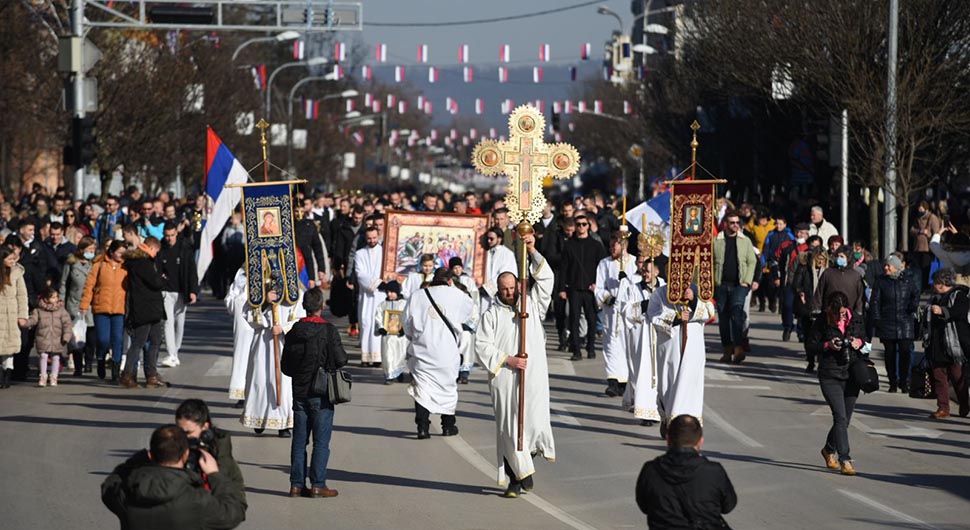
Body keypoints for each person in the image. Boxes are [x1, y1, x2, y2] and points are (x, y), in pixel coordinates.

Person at [475, 232, 555, 498]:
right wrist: (508, 359)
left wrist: (531, 251)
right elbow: (481, 345)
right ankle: (515, 480)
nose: (510, 293)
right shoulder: (491, 314)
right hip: (506, 377)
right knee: (510, 427)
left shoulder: (532, 304)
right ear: (498, 290)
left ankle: (525, 466)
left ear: (519, 286)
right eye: (505, 289)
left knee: (532, 424)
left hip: (532, 377)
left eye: (512, 288)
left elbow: (546, 280)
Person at [101, 425, 247, 530]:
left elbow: (110, 483)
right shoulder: (196, 499)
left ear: (151, 455)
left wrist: (138, 459)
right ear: (185, 455)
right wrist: (215, 475)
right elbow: (233, 512)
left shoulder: (127, 492)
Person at [281, 288, 347, 498]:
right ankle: (318, 484)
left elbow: (285, 366)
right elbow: (341, 359)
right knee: (321, 441)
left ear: (304, 306)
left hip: (299, 391)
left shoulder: (294, 331)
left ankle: (296, 484)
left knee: (299, 440)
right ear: (322, 306)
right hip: (322, 391)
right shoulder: (328, 330)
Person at [403, 267, 475, 439]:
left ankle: (422, 428)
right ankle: (448, 426)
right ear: (450, 281)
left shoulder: (417, 296)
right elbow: (469, 313)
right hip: (447, 351)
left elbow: (406, 323)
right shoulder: (458, 296)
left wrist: (415, 338)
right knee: (447, 389)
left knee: (422, 389)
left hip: (423, 350)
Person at [635, 415, 737, 529]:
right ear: (700, 442)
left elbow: (644, 506)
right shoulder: (714, 471)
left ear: (668, 439)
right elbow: (728, 506)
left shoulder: (651, 470)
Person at [807, 291, 867, 475]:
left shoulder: (856, 319)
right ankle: (845, 459)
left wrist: (859, 342)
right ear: (829, 310)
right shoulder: (822, 321)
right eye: (836, 313)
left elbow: (867, 343)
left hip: (852, 374)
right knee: (839, 417)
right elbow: (810, 346)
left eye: (842, 313)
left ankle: (828, 449)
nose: (840, 317)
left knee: (845, 420)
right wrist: (827, 345)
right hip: (830, 374)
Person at [648, 282, 716, 434]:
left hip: (693, 347)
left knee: (690, 384)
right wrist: (676, 318)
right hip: (669, 346)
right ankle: (668, 418)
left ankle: (687, 426)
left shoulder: (698, 290)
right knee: (669, 382)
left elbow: (710, 312)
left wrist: (693, 300)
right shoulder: (660, 292)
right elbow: (653, 315)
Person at [240, 284, 304, 437]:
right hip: (262, 343)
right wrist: (264, 303)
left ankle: (283, 424)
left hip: (284, 343)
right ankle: (259, 419)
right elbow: (247, 313)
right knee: (260, 380)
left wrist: (284, 328)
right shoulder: (259, 288)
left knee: (284, 382)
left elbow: (300, 318)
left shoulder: (295, 291)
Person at [618, 256, 665, 425]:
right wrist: (645, 305)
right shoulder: (633, 289)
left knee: (660, 374)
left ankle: (659, 410)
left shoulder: (664, 288)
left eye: (649, 271)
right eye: (643, 270)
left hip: (660, 335)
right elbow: (626, 311)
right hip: (641, 336)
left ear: (657, 272)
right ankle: (645, 412)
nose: (645, 274)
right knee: (643, 373)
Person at [118, 237, 166, 389]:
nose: (156, 254)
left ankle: (151, 374)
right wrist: (161, 278)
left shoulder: (140, 261)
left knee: (155, 340)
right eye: (156, 251)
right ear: (151, 248)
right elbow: (155, 282)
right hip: (145, 308)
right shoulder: (143, 262)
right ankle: (128, 374)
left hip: (150, 308)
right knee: (140, 342)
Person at [594, 231, 638, 397]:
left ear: (624, 245)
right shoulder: (604, 263)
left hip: (627, 311)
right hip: (611, 311)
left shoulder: (633, 262)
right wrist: (607, 297)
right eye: (611, 246)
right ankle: (612, 381)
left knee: (627, 345)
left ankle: (624, 381)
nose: (612, 249)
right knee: (611, 345)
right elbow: (599, 286)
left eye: (615, 245)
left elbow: (637, 284)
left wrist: (625, 281)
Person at [175, 398, 246, 499]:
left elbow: (236, 498)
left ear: (205, 427)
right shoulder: (173, 449)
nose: (183, 437)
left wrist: (213, 474)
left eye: (189, 432)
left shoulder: (220, 454)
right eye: (179, 431)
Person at [559, 213, 607, 361]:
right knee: (574, 319)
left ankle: (591, 348)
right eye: (578, 224)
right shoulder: (569, 245)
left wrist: (599, 285)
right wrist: (562, 288)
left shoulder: (596, 245)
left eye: (584, 224)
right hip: (574, 288)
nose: (581, 227)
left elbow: (602, 267)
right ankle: (576, 350)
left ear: (588, 226)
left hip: (590, 289)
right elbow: (564, 268)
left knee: (591, 319)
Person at [869, 255, 919, 393]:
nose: (886, 268)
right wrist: (877, 319)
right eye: (885, 265)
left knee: (905, 352)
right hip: (887, 322)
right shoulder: (881, 281)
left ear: (896, 267)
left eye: (889, 265)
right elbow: (875, 301)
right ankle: (892, 382)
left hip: (905, 322)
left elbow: (915, 295)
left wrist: (913, 306)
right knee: (889, 354)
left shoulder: (907, 281)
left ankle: (904, 381)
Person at [924, 268, 970, 419]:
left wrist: (943, 311)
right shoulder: (935, 297)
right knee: (939, 376)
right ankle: (943, 407)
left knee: (958, 377)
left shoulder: (959, 295)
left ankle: (964, 403)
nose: (933, 285)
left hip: (954, 344)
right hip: (937, 343)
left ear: (942, 283)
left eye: (935, 282)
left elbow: (960, 312)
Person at [713, 211, 758, 363]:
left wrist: (747, 281)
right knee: (723, 318)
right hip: (721, 284)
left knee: (737, 314)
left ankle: (738, 348)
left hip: (739, 285)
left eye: (737, 222)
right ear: (726, 224)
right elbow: (710, 261)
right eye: (732, 223)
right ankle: (727, 350)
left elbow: (752, 261)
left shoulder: (745, 241)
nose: (735, 225)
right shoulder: (717, 240)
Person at [80, 240, 128, 381]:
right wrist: (84, 304)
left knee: (118, 340)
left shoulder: (126, 267)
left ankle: (116, 370)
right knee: (103, 339)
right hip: (101, 308)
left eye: (124, 253)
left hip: (119, 308)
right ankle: (101, 358)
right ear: (112, 252)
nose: (122, 255)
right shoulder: (99, 265)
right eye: (119, 252)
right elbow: (89, 286)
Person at [157, 222, 199, 368]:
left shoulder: (185, 248)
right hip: (166, 291)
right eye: (167, 236)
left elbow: (192, 271)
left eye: (172, 235)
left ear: (176, 233)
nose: (169, 238)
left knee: (179, 323)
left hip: (182, 291)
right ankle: (171, 353)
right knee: (167, 322)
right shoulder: (160, 249)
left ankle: (175, 351)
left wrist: (193, 291)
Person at [59, 237, 96, 376]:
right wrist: (61, 300)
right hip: (74, 304)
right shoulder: (71, 262)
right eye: (89, 249)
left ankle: (89, 362)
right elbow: (64, 283)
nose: (91, 252)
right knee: (77, 337)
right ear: (81, 249)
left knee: (91, 337)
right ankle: (78, 366)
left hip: (91, 304)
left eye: (93, 249)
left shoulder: (95, 263)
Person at [353, 226, 385, 367]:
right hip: (367, 294)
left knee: (379, 323)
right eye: (369, 238)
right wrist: (377, 283)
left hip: (381, 295)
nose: (372, 240)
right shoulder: (360, 254)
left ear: (378, 236)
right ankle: (365, 357)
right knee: (366, 323)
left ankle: (378, 358)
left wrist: (384, 283)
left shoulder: (384, 252)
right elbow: (360, 274)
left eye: (374, 238)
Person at [28, 288, 72, 387]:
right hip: (43, 338)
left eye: (56, 297)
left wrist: (66, 336)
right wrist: (25, 323)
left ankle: (54, 377)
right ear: (45, 299)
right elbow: (33, 320)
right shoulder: (38, 310)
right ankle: (43, 376)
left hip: (57, 338)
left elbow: (67, 324)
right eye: (53, 297)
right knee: (43, 356)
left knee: (56, 357)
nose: (56, 299)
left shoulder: (61, 310)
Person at [225, 269, 254, 408]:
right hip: (243, 325)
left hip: (262, 324)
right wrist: (238, 300)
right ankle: (242, 394)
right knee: (242, 358)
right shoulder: (241, 274)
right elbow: (230, 298)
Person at [0, 246, 28, 389]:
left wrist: (22, 315)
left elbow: (22, 295)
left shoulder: (17, 272)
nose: (12, 261)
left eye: (13, 259)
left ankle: (7, 374)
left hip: (11, 312)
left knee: (10, 346)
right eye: (9, 259)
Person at [450, 257, 480, 384]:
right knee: (454, 347)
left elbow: (475, 301)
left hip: (466, 320)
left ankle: (464, 373)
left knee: (466, 346)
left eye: (459, 267)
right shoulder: (450, 281)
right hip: (454, 321)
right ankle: (454, 372)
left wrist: (471, 322)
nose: (457, 270)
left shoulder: (468, 280)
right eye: (454, 268)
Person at [376, 280, 408, 384]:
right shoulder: (383, 305)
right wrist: (381, 327)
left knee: (400, 354)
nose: (389, 294)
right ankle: (389, 375)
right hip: (388, 336)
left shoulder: (404, 304)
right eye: (387, 292)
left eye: (391, 292)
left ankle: (398, 372)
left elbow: (408, 317)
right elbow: (378, 317)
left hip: (400, 337)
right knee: (387, 354)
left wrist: (404, 328)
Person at [815, 248, 865, 316]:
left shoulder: (855, 276)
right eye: (838, 256)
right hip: (829, 314)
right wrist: (816, 309)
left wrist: (858, 312)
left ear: (848, 258)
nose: (839, 258)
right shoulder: (828, 273)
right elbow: (819, 292)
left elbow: (860, 296)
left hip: (849, 314)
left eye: (842, 256)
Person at [480, 227, 517, 314]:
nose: (489, 241)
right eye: (487, 238)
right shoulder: (485, 253)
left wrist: (488, 288)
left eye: (491, 239)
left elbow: (504, 274)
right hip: (484, 293)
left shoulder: (507, 254)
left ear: (499, 239)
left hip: (498, 292)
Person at [910, 201, 941, 287]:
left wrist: (928, 234)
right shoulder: (917, 218)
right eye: (919, 207)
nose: (919, 209)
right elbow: (912, 230)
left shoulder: (932, 218)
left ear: (926, 208)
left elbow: (937, 233)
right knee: (918, 268)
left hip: (928, 248)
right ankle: (921, 285)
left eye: (921, 207)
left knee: (926, 268)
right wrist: (920, 231)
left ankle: (926, 285)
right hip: (917, 247)